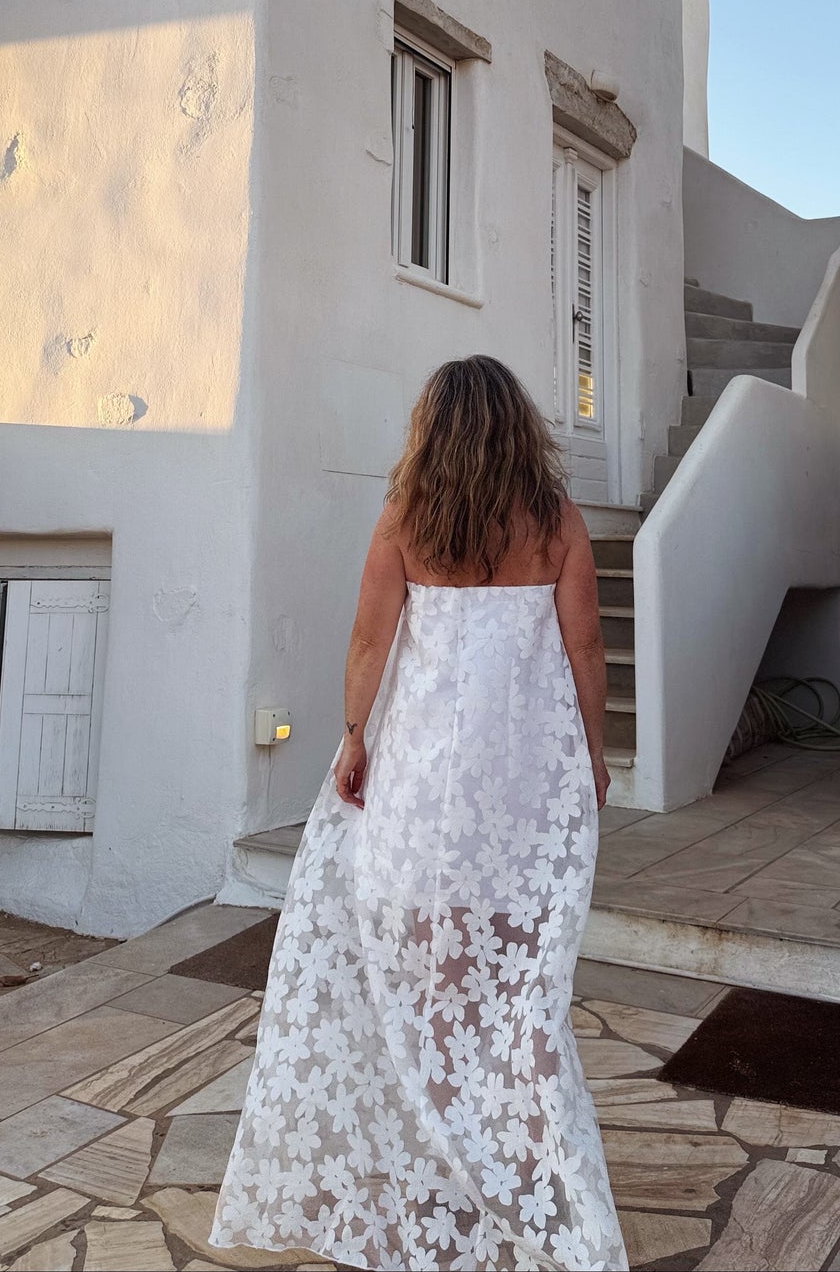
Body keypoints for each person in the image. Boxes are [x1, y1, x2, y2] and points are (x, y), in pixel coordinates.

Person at [211, 355, 626, 1271]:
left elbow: (370, 637)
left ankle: (441, 1172)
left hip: (424, 786)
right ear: (519, 426)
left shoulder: (408, 516)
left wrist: (354, 734)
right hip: (524, 785)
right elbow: (586, 644)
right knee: (521, 995)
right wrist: (594, 752)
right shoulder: (554, 521)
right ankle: (514, 1164)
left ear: (431, 428)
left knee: (427, 984)